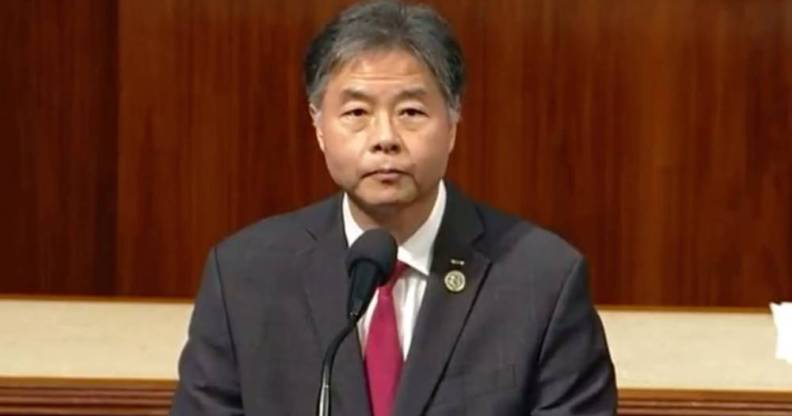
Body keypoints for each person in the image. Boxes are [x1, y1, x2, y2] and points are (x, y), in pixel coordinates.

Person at [170, 0, 617, 415]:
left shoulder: (542, 281)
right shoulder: (244, 276)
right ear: (319, 126)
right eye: (357, 113)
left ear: (453, 122)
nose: (385, 138)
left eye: (410, 112)